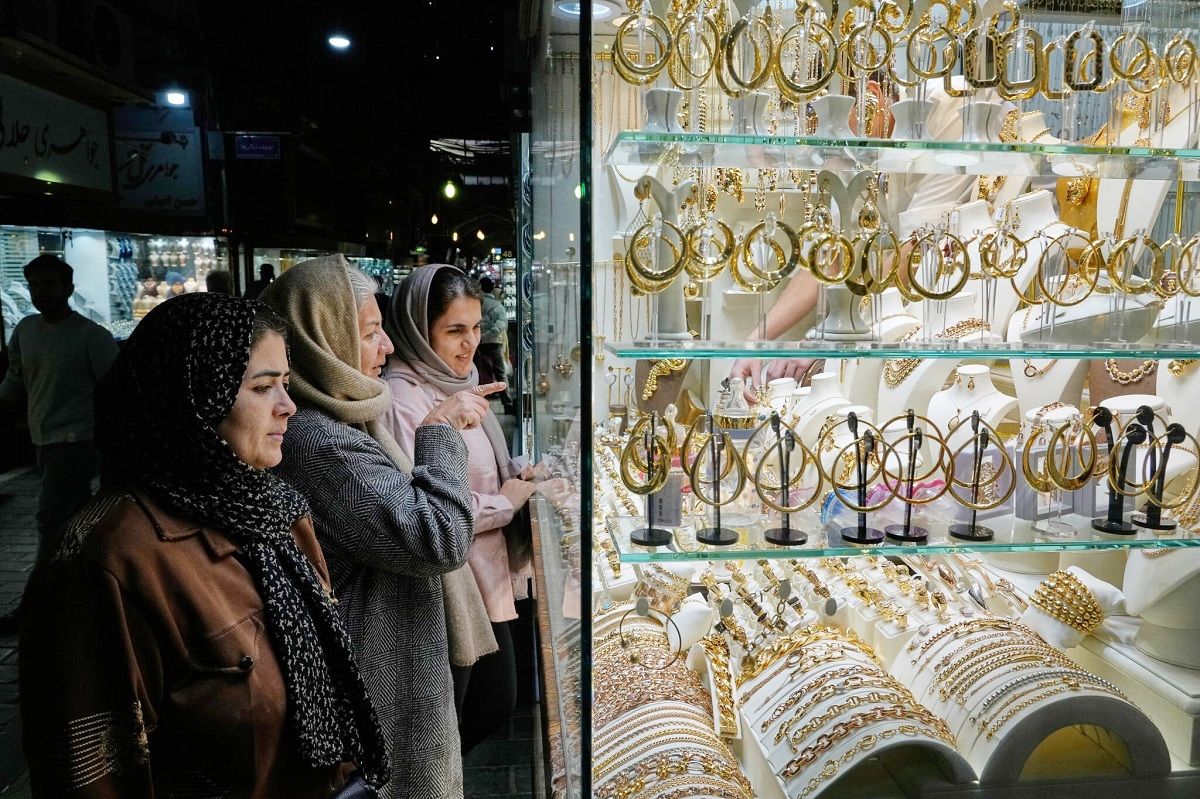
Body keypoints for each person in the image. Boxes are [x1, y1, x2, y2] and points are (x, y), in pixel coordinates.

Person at [19, 293, 388, 796]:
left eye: (286, 383)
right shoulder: (107, 561)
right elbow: (90, 776)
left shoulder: (275, 511)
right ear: (194, 400)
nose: (288, 407)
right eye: (263, 387)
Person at [264, 255, 500, 799]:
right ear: (325, 339)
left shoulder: (348, 417)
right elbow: (438, 537)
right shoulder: (321, 442)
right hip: (381, 679)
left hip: (390, 667)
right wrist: (440, 432)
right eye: (371, 333)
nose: (386, 346)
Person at [383, 265, 535, 755]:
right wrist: (505, 502)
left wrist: (519, 474)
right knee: (474, 708)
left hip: (482, 571)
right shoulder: (403, 399)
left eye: (475, 327)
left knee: (486, 702)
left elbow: (475, 467)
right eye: (454, 331)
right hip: (455, 580)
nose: (470, 343)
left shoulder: (456, 383)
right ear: (418, 331)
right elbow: (424, 501)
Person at [0, 255, 118, 631]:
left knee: (51, 521)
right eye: (35, 285)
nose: (40, 292)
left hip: (76, 441)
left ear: (68, 289)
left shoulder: (90, 336)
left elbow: (115, 390)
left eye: (49, 285)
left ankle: (34, 606)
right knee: (77, 519)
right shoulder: (26, 331)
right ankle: (88, 595)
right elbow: (15, 379)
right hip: (44, 439)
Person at [473, 276, 513, 413]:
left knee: (475, 373)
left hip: (477, 343)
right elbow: (500, 326)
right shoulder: (497, 306)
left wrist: (479, 337)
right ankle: (507, 403)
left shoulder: (476, 304)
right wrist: (487, 335)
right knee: (500, 373)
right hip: (494, 343)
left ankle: (475, 402)